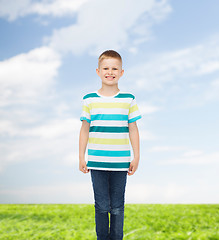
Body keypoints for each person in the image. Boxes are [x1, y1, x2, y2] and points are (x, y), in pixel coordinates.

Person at [79, 50, 142, 240]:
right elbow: (84, 129)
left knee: (117, 206)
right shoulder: (89, 99)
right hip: (96, 162)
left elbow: (133, 128)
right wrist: (81, 156)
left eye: (115, 68)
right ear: (98, 71)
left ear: (122, 72)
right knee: (101, 206)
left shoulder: (128, 99)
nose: (110, 72)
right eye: (106, 68)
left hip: (120, 162)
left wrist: (136, 156)